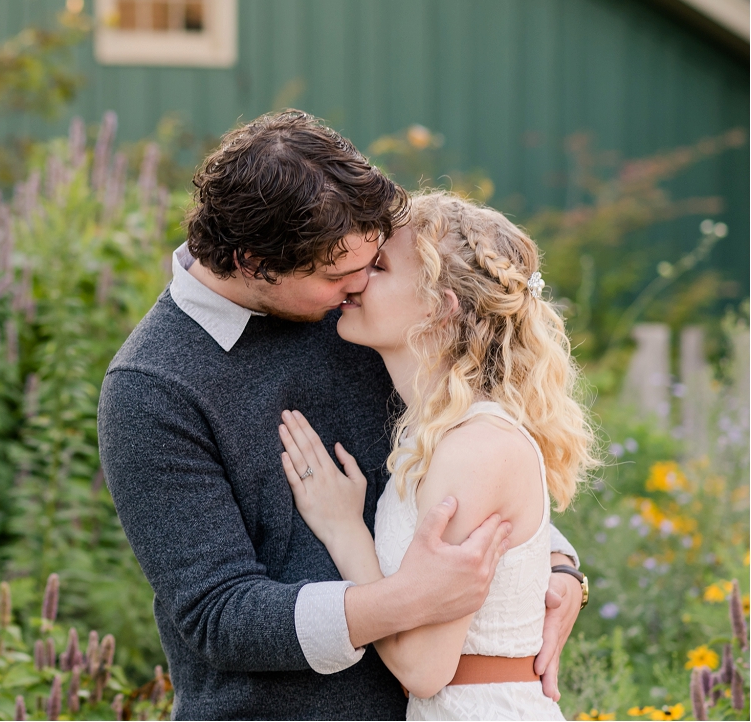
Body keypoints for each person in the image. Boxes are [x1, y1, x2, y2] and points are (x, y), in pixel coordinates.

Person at [97, 111, 584, 720]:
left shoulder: (366, 312)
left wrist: (555, 565)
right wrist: (403, 601)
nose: (356, 285)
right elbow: (218, 615)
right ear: (253, 261)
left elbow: (466, 460)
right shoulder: (153, 387)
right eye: (338, 275)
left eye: (373, 262)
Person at [279, 191, 594, 720]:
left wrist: (343, 528)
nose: (354, 280)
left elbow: (423, 668)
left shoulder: (476, 448)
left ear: (438, 307)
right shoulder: (435, 434)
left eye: (378, 266)